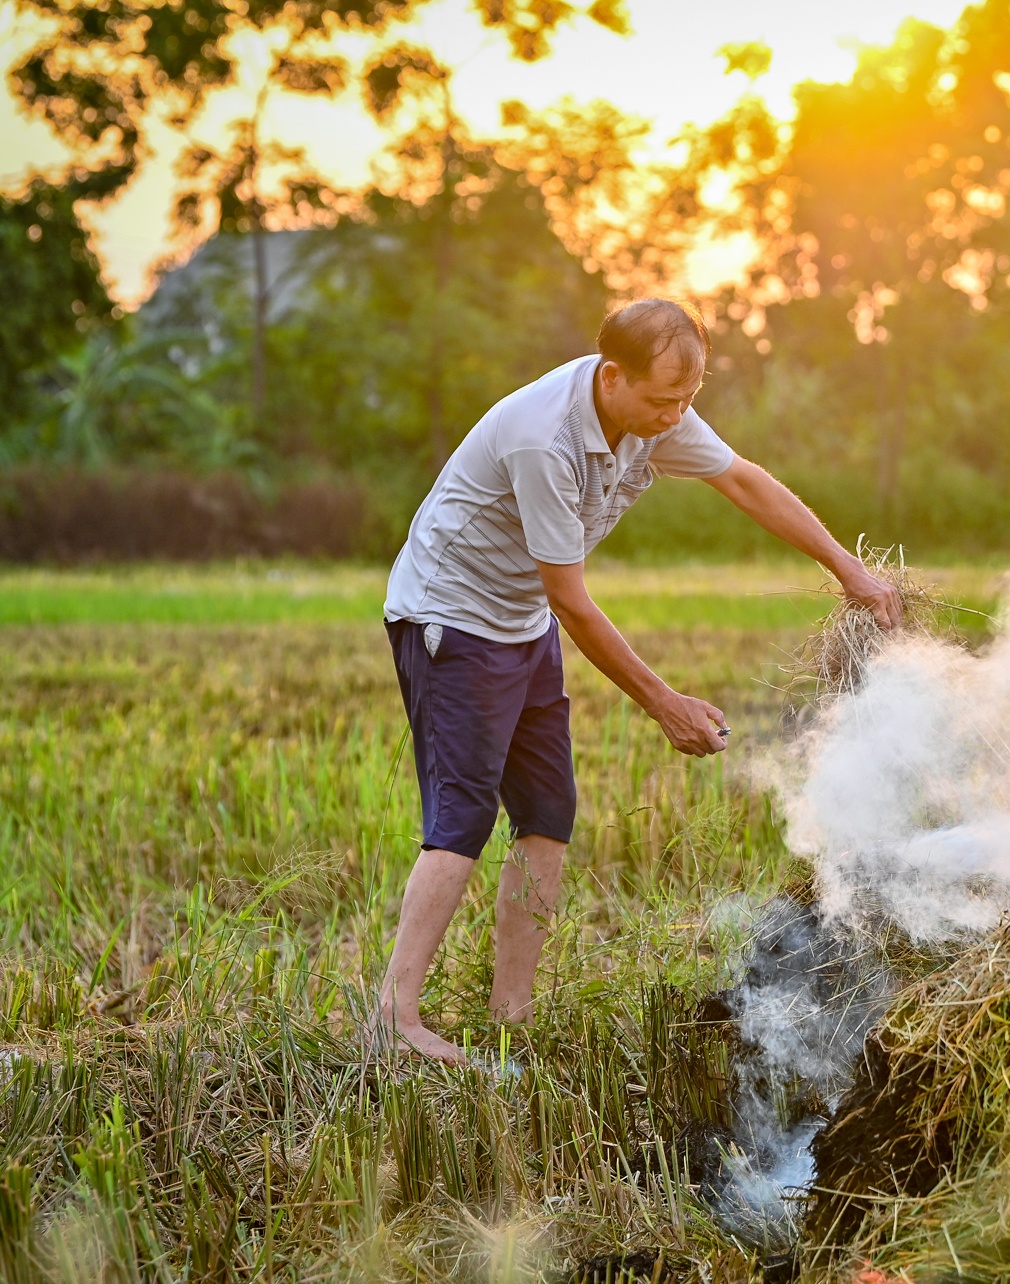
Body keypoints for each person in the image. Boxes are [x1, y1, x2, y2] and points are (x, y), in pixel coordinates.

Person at [376, 299, 902, 1063]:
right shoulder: (544, 441)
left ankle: (511, 1014)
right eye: (663, 401)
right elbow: (574, 603)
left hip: (521, 621)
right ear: (611, 376)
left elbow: (746, 482)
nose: (676, 417)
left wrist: (847, 569)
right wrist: (665, 703)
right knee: (463, 816)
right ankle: (394, 1020)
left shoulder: (657, 413)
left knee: (547, 813)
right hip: (451, 618)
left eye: (688, 400)